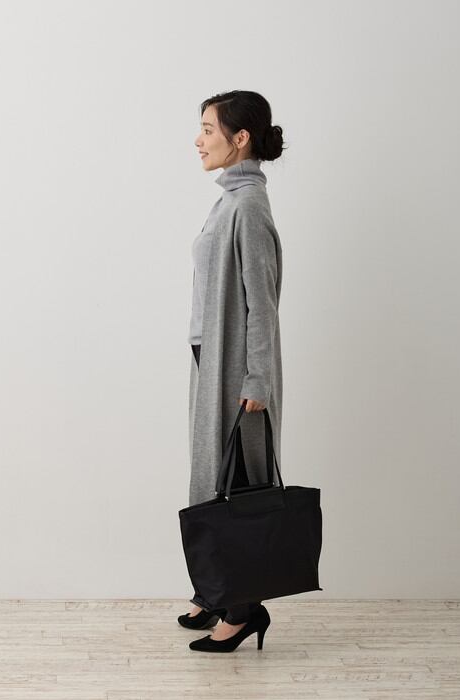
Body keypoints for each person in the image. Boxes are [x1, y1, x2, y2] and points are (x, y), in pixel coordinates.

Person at [180, 90, 285, 653]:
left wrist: (258, 380)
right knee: (214, 480)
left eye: (208, 129)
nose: (198, 140)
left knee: (237, 488)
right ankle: (216, 590)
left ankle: (242, 611)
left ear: (239, 138)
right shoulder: (230, 200)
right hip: (212, 360)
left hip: (236, 370)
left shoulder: (247, 206)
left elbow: (261, 303)